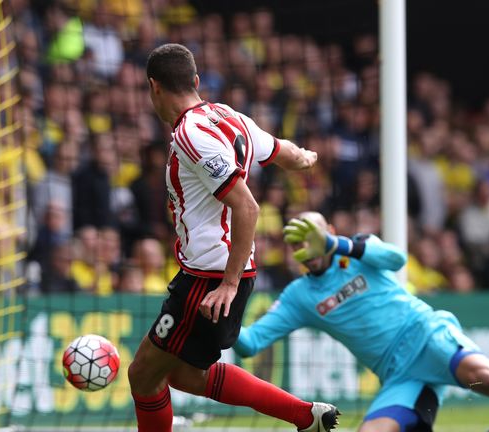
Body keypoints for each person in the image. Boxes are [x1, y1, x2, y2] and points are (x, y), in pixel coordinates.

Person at [126, 44, 338, 432]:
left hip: (209, 280)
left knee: (142, 374)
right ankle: (306, 415)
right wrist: (306, 158)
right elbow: (282, 152)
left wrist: (227, 283)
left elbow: (248, 207)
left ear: (153, 87)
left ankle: (303, 415)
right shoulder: (230, 117)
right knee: (182, 376)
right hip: (217, 272)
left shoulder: (191, 135)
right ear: (195, 81)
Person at [234, 212, 489, 432]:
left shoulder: (359, 250)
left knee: (487, 380)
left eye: (312, 236)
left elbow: (395, 259)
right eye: (299, 242)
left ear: (329, 230)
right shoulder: (300, 295)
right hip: (401, 376)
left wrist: (338, 245)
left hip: (428, 336)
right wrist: (220, 305)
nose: (307, 248)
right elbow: (250, 343)